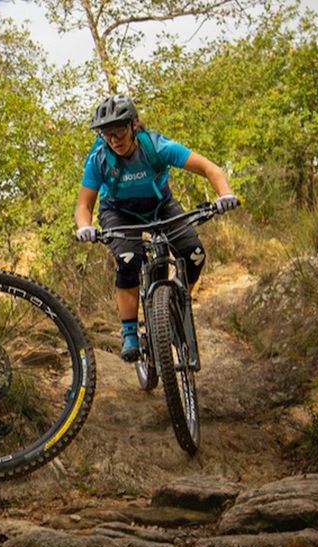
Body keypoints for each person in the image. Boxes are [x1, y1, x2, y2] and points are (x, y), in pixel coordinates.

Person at [73, 95, 239, 362]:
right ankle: (129, 332)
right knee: (128, 259)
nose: (114, 140)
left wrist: (225, 195)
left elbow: (210, 168)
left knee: (195, 254)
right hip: (118, 213)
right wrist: (85, 226)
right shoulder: (99, 159)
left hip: (160, 206)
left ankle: (178, 303)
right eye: (107, 134)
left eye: (118, 131)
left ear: (134, 125)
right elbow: (84, 205)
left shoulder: (157, 147)